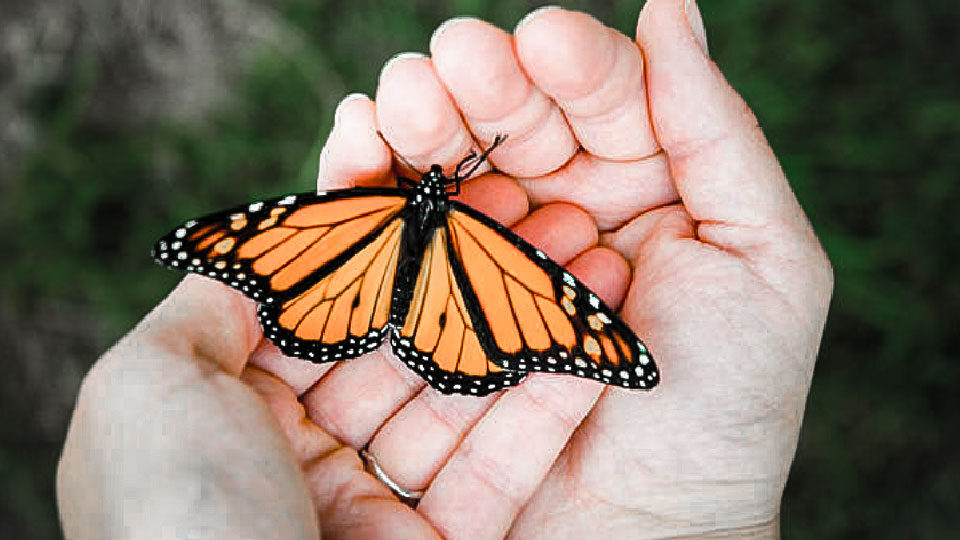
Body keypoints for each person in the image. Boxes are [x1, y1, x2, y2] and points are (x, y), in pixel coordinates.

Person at [56, 1, 833, 539]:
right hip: (448, 322)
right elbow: (547, 310)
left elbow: (274, 241)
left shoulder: (372, 212)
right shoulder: (481, 235)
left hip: (355, 289)